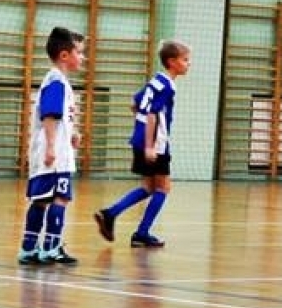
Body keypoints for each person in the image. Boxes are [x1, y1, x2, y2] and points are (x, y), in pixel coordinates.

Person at [95, 39, 192, 249]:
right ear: (172, 62)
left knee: (149, 186)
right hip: (155, 143)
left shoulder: (155, 81)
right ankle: (141, 232)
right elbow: (152, 114)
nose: (188, 64)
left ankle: (110, 214)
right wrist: (150, 144)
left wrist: (141, 132)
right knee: (163, 187)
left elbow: (135, 103)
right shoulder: (167, 87)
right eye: (185, 60)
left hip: (140, 139)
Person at [18, 27, 86, 265]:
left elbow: (61, 118)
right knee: (59, 198)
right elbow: (49, 115)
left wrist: (72, 134)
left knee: (43, 199)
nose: (82, 57)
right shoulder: (56, 80)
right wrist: (50, 147)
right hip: (54, 155)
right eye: (79, 52)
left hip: (56, 150)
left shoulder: (57, 81)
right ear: (65, 55)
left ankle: (29, 247)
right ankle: (51, 247)